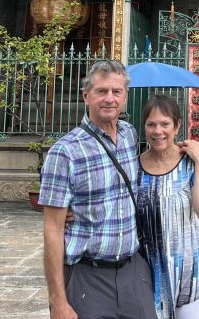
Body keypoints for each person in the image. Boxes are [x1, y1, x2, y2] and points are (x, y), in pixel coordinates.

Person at [39, 59, 157, 319]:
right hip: (87, 276)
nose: (109, 99)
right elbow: (53, 229)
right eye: (101, 91)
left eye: (117, 92)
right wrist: (58, 301)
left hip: (132, 270)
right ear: (86, 95)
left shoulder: (129, 135)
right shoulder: (65, 152)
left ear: (125, 96)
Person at [137, 94, 199, 319]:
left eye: (165, 124)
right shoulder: (133, 167)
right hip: (147, 271)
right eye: (151, 124)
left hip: (189, 271)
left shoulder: (190, 164)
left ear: (177, 125)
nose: (158, 131)